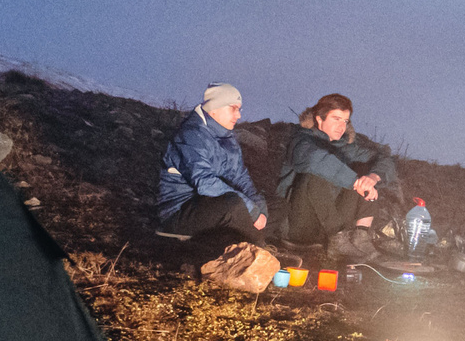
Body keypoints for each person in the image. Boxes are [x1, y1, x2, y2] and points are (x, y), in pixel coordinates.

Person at [273, 92, 403, 256]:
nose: (342, 126)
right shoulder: (301, 141)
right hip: (300, 224)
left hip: (336, 225)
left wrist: (372, 178)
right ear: (320, 119)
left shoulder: (347, 147)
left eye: (345, 121)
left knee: (365, 171)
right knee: (316, 172)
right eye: (336, 119)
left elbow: (385, 158)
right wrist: (355, 182)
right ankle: (337, 239)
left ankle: (361, 235)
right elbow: (316, 160)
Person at [154, 83, 268, 245]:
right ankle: (260, 251)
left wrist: (257, 204)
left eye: (239, 109)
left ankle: (251, 245)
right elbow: (204, 183)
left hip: (211, 205)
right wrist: (249, 207)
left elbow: (240, 177)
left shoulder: (227, 137)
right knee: (235, 205)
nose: (238, 116)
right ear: (214, 109)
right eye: (233, 108)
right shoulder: (191, 135)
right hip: (180, 212)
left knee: (274, 205)